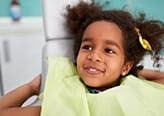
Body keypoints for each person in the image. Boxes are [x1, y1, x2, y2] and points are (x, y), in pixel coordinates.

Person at [0, 1, 164, 116]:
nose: (94, 56)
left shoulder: (136, 89)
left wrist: (133, 73)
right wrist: (32, 87)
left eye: (108, 50)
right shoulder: (65, 99)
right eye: (87, 47)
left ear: (126, 66)